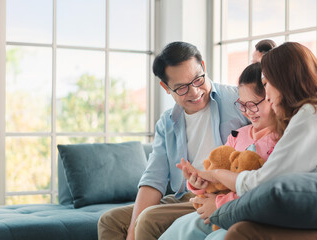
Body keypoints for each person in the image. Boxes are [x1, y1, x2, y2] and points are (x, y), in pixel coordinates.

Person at [176, 42, 317, 240]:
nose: (267, 95)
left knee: (243, 232)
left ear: (283, 80)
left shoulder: (314, 114)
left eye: (266, 85)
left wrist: (216, 176)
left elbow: (263, 183)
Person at [97, 41, 249, 240]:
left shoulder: (239, 101)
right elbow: (154, 179)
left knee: (149, 219)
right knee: (110, 221)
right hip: (184, 198)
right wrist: (132, 231)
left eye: (197, 79)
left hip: (219, 195)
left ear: (203, 66)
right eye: (182, 88)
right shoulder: (167, 123)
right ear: (166, 87)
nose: (195, 92)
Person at [158, 62, 280, 240]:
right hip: (218, 207)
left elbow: (261, 190)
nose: (248, 112)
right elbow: (216, 175)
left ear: (272, 98)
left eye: (254, 104)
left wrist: (218, 203)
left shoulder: (281, 141)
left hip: (243, 212)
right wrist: (199, 183)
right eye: (242, 105)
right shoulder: (238, 135)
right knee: (178, 230)